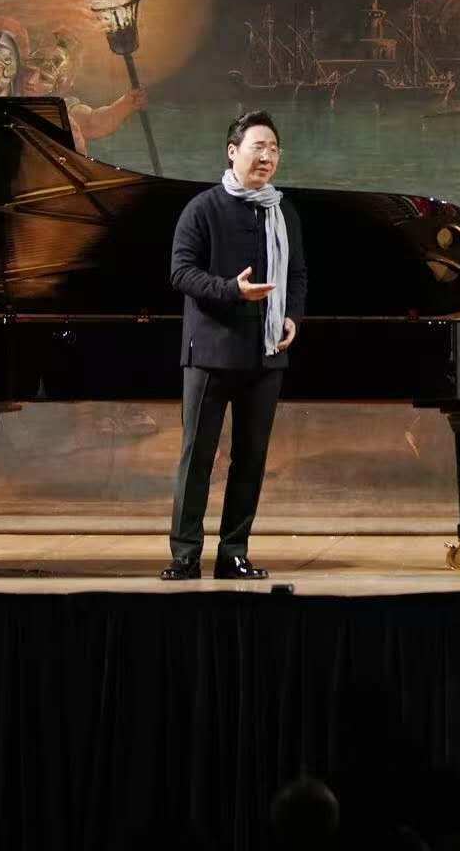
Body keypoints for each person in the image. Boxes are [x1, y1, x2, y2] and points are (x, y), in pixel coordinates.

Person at [162, 110, 307, 581]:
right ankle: (185, 554)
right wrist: (231, 290)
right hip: (211, 352)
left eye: (273, 149)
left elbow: (297, 275)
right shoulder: (202, 208)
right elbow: (181, 272)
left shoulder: (282, 212)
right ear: (232, 152)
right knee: (198, 457)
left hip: (266, 354)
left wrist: (291, 316)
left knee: (251, 458)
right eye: (257, 147)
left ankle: (234, 552)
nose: (267, 156)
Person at [16, 33, 147, 155]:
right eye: (29, 71)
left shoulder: (61, 109)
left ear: (56, 85)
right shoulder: (8, 87)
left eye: (44, 78)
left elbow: (92, 123)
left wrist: (126, 104)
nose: (31, 81)